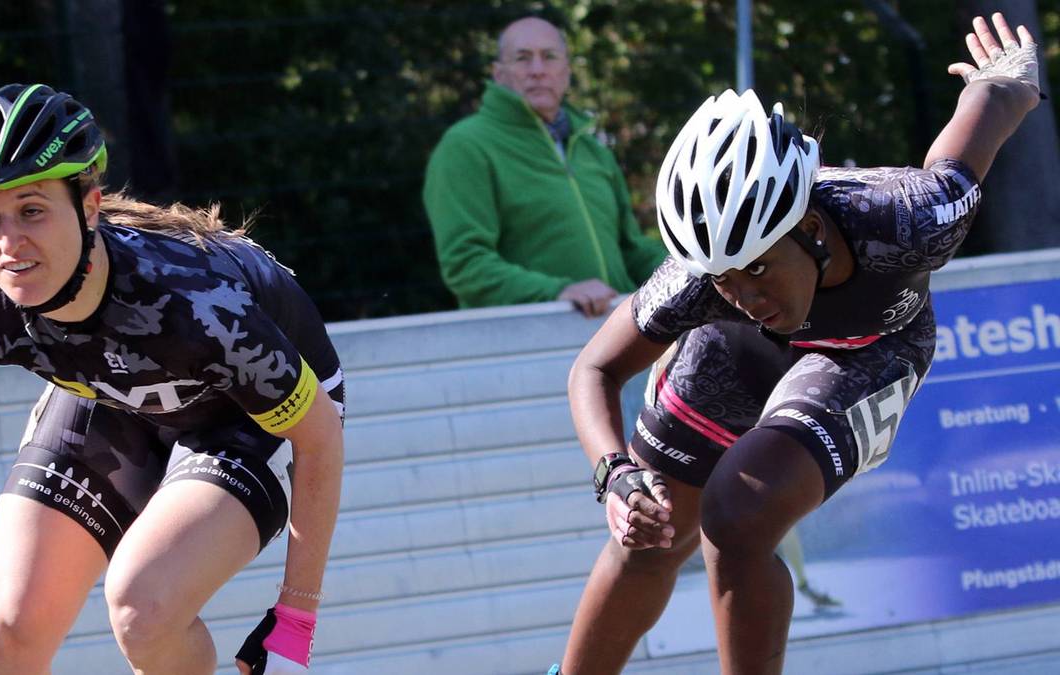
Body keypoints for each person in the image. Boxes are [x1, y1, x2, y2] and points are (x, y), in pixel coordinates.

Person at [552, 13, 1042, 675]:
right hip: (732, 356)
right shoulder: (699, 283)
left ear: (810, 226)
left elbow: (996, 103)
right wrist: (615, 475)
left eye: (757, 266)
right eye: (724, 278)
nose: (746, 292)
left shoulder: (907, 218)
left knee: (739, 515)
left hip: (869, 348)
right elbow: (596, 368)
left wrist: (1008, 76)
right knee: (650, 536)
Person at [0, 83, 345, 675]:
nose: (9, 245)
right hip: (117, 394)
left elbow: (319, 437)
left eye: (33, 211)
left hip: (238, 414)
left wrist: (296, 615)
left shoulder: (195, 305)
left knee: (143, 608)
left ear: (89, 206)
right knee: (9, 631)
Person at [423, 16, 668, 318]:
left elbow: (631, 249)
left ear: (566, 71)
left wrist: (692, 270)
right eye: (522, 58)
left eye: (549, 57)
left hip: (618, 335)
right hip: (527, 344)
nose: (537, 70)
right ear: (498, 73)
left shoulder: (593, 149)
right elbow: (466, 265)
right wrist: (558, 293)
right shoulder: (465, 146)